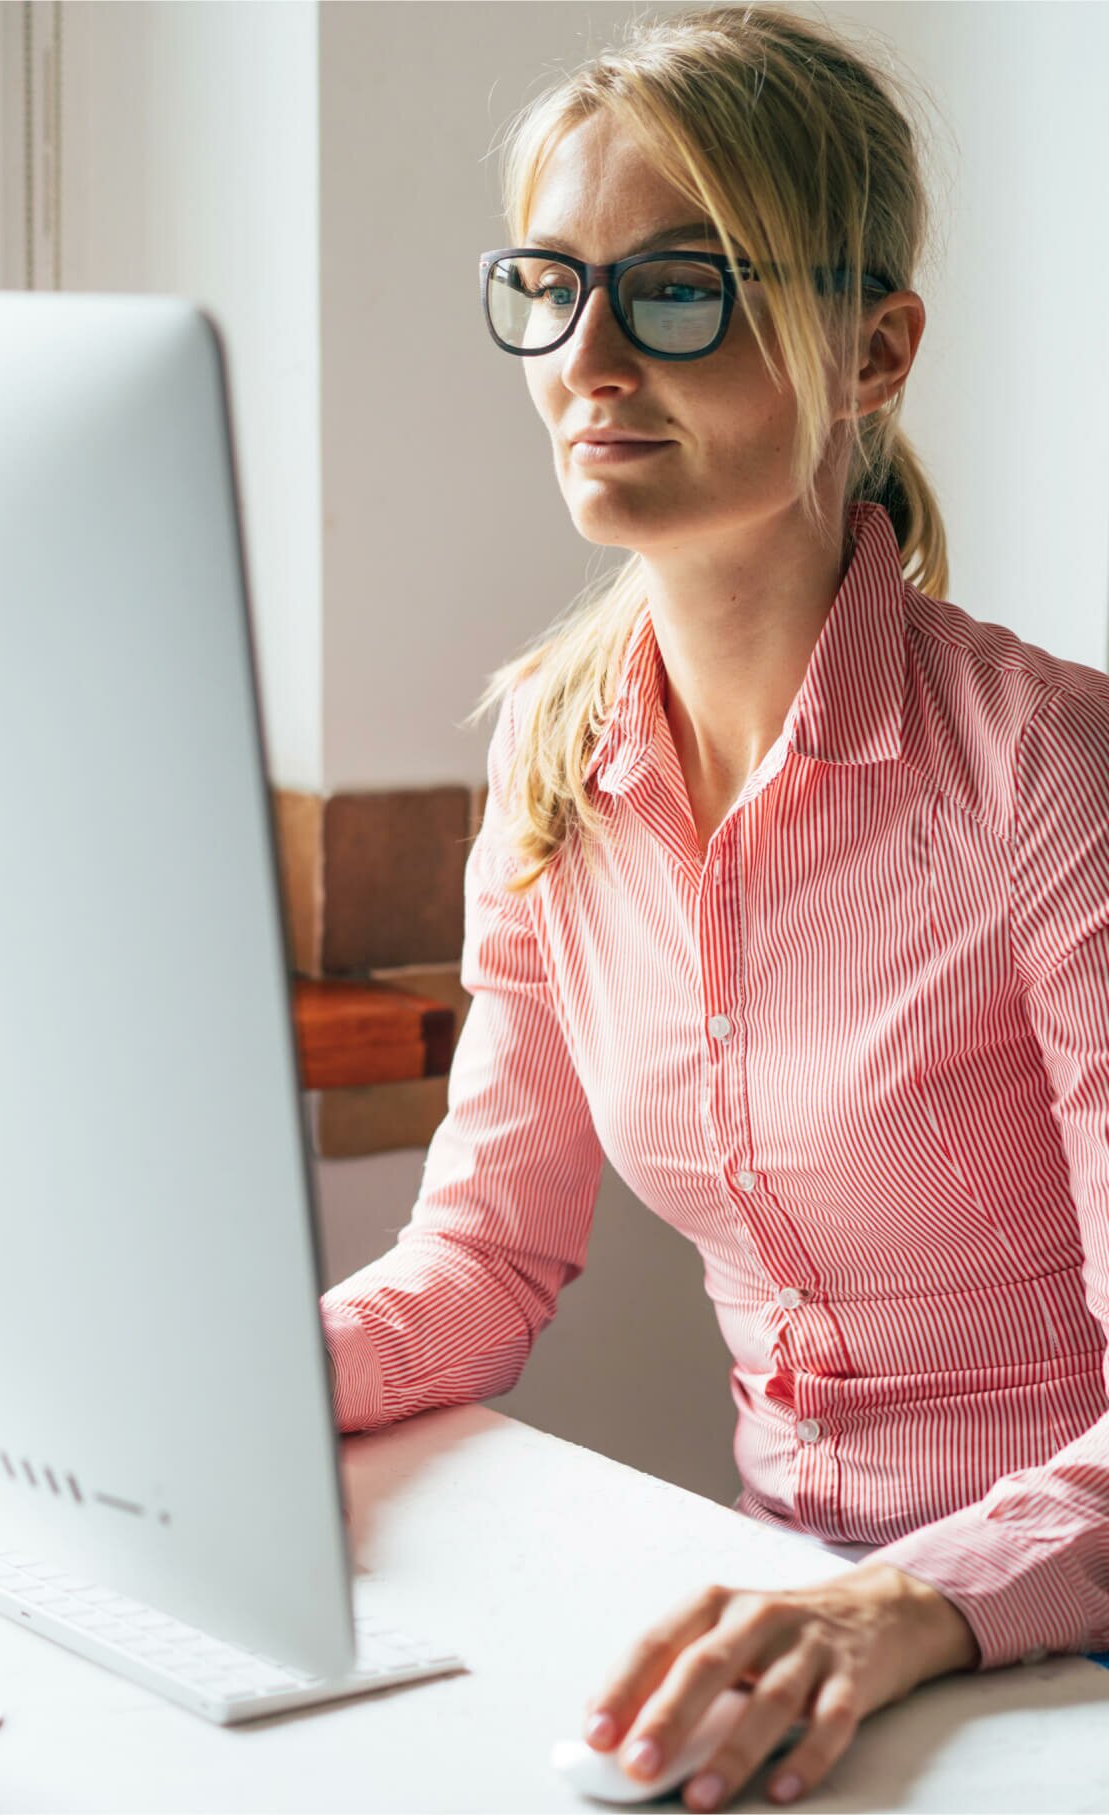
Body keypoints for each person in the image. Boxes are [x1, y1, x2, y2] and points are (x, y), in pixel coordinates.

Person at [320, 7, 1109, 1809]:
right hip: (793, 1615)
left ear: (876, 346)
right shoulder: (551, 750)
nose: (591, 357)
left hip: (1036, 1635)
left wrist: (912, 1602)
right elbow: (482, 1263)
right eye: (551, 283)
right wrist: (228, 1405)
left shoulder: (1052, 775)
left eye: (681, 291)